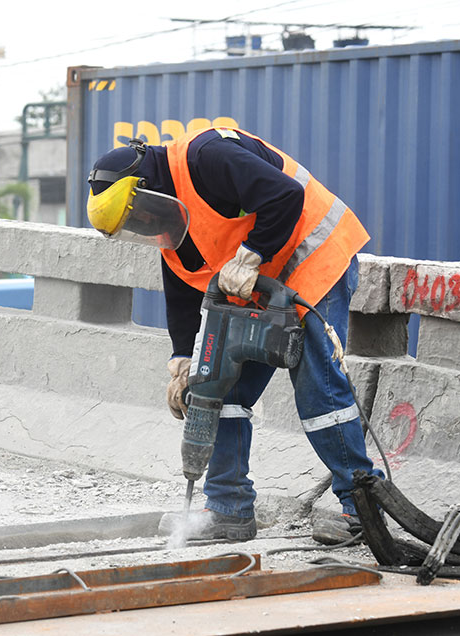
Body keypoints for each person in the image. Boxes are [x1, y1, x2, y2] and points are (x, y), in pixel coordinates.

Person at [87, 128, 384, 545]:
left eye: (141, 215)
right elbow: (183, 281)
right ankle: (228, 509)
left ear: (147, 189)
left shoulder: (207, 156)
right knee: (217, 386)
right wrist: (185, 361)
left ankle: (363, 508)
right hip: (257, 283)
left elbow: (284, 196)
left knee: (319, 390)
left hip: (313, 257)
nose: (145, 224)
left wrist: (250, 256)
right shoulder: (171, 218)